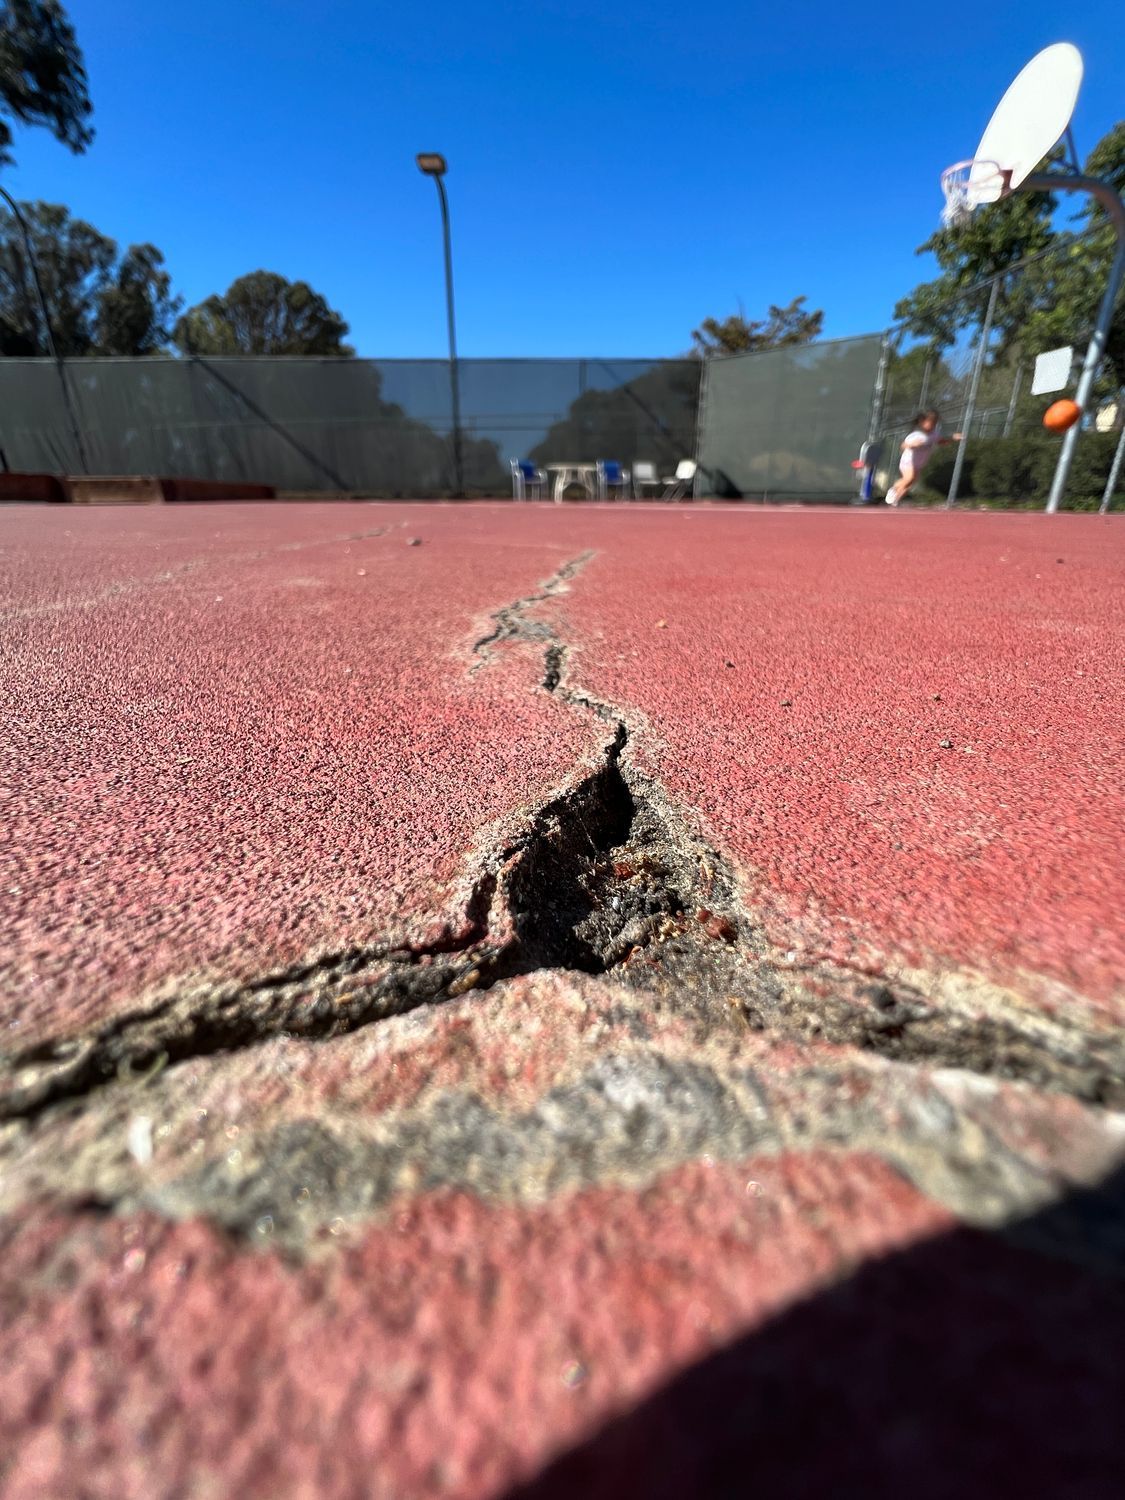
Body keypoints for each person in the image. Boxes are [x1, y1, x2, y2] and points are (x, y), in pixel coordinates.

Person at [885, 410, 962, 506]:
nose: (933, 425)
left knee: (910, 482)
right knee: (909, 478)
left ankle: (896, 499)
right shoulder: (916, 435)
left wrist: (953, 438)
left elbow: (941, 441)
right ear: (922, 422)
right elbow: (903, 445)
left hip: (918, 463)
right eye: (931, 423)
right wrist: (912, 444)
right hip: (908, 461)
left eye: (935, 423)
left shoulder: (934, 434)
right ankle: (893, 490)